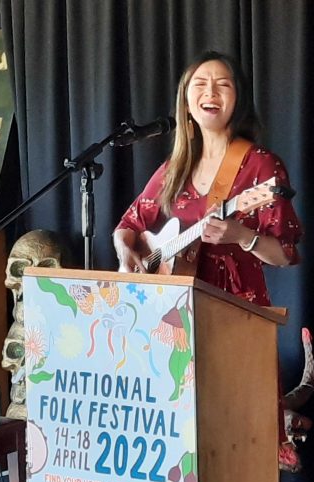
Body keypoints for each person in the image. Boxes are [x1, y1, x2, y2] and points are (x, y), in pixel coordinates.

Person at [113, 50, 302, 306]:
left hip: (234, 310)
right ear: (186, 101)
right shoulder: (175, 168)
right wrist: (125, 252)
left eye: (223, 85)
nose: (210, 92)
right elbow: (129, 224)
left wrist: (242, 236)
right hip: (172, 312)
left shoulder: (260, 165)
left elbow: (284, 253)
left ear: (239, 100)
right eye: (200, 84)